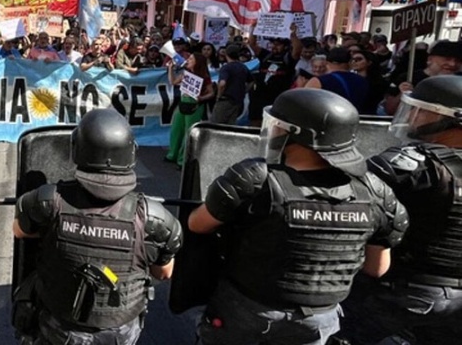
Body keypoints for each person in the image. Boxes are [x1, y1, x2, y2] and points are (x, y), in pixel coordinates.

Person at [187, 89, 408, 345]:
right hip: (319, 318)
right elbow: (376, 268)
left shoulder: (258, 179)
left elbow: (197, 224)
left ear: (293, 134)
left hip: (247, 308)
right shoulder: (375, 192)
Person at [13, 109, 183, 345]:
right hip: (119, 333)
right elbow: (163, 273)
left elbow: (19, 230)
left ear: (77, 150)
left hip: (58, 328)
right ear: (131, 153)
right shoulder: (155, 220)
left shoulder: (48, 202)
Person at [338, 76, 462, 344]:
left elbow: (343, 205)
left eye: (422, 111)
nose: (413, 117)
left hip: (403, 293)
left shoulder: (409, 165)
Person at [166, 53, 214, 168]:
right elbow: (173, 82)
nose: (188, 60)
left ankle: (183, 160)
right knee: (176, 130)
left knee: (188, 133)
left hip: (195, 106)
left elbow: (211, 93)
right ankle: (172, 154)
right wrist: (170, 69)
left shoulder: (205, 77)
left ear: (197, 62)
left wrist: (202, 98)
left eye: (191, 59)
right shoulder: (185, 74)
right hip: (183, 103)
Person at [304, 47, 369, 112]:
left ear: (327, 63)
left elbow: (303, 103)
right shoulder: (363, 81)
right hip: (356, 117)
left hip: (327, 117)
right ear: (350, 62)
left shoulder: (318, 81)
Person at [210, 44, 250, 125]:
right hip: (238, 101)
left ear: (226, 54)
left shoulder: (226, 67)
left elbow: (222, 83)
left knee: (216, 126)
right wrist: (245, 90)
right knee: (230, 126)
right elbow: (251, 81)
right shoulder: (243, 67)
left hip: (225, 100)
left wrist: (218, 96)